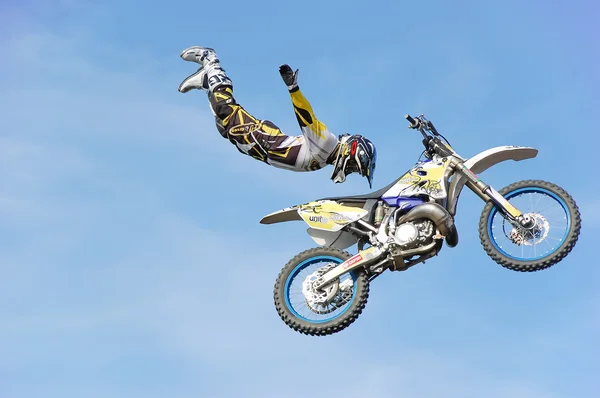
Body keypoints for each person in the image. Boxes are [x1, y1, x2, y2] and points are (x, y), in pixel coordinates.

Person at [177, 46, 377, 188]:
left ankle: (206, 81)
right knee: (225, 111)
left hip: (263, 151)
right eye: (352, 166)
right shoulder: (327, 143)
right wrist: (293, 89)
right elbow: (307, 117)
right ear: (350, 150)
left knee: (224, 128)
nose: (349, 170)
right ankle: (211, 62)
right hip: (264, 139)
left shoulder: (326, 158)